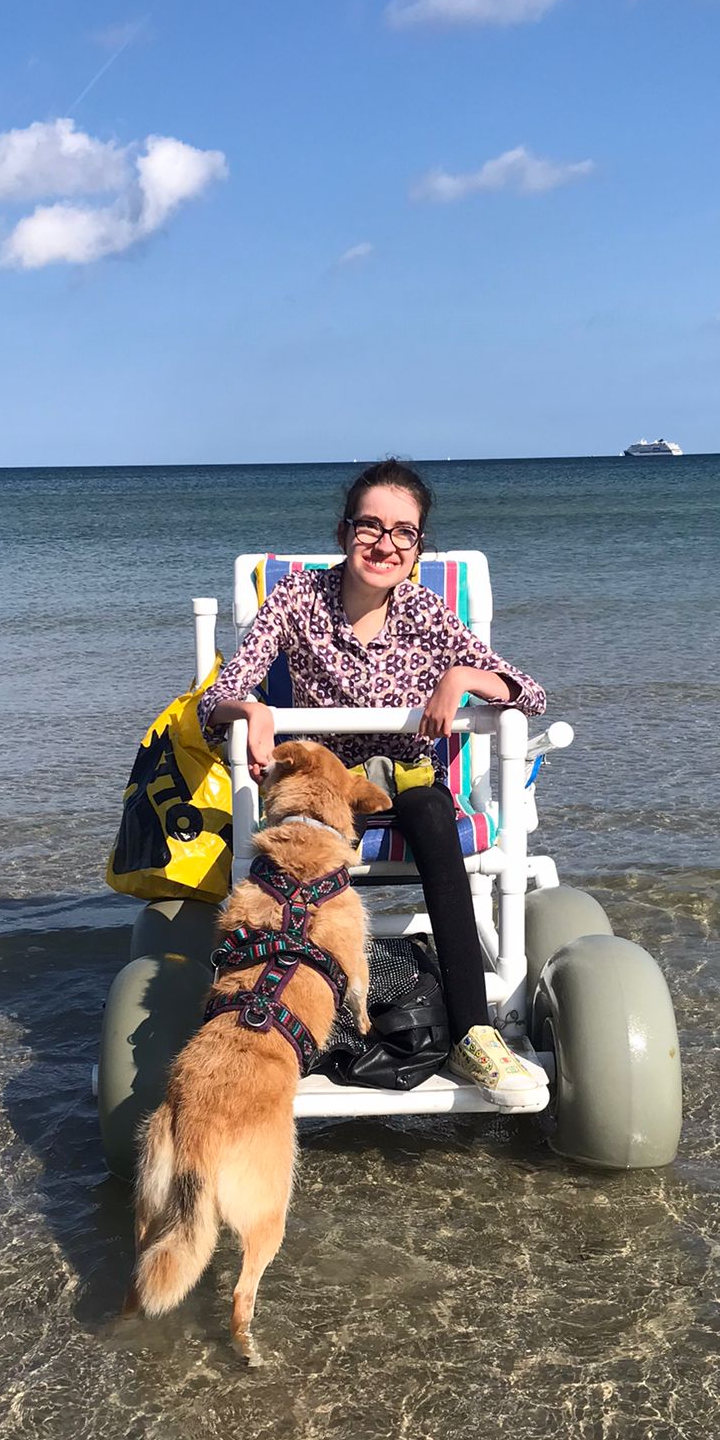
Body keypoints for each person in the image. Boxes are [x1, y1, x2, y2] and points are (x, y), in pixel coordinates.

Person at [200, 458, 547, 1097]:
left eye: (404, 532)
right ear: (344, 532)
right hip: (325, 788)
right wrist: (248, 707)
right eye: (370, 527)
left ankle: (474, 1035)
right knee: (287, 845)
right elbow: (214, 698)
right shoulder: (298, 599)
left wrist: (463, 678)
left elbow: (530, 692)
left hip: (405, 779)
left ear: (417, 547)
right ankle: (260, 1009)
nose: (385, 544)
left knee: (431, 814)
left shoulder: (426, 612)